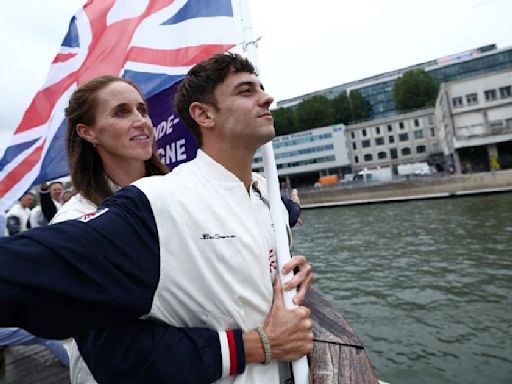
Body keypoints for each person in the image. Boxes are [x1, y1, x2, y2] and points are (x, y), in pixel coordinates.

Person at [0, 69, 312, 383]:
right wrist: (257, 344)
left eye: (142, 110)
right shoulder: (76, 220)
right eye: (121, 112)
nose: (141, 120)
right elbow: (117, 354)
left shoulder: (186, 193)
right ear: (87, 132)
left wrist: (275, 264)